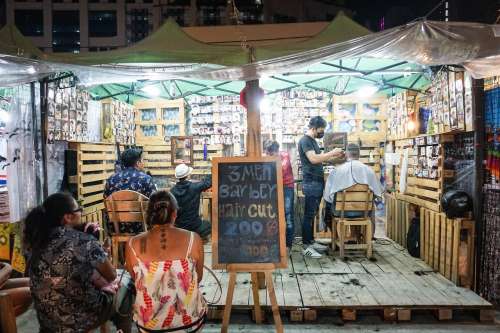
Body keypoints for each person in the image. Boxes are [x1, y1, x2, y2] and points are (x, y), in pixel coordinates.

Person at [23, 192, 132, 333]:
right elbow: (111, 276)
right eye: (79, 209)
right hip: (81, 319)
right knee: (127, 284)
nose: (81, 212)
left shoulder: (36, 240)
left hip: (48, 322)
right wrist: (102, 253)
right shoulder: (82, 241)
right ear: (67, 217)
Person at [125, 190, 207, 333]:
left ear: (150, 214)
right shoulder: (194, 239)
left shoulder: (132, 244)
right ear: (174, 214)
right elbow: (198, 278)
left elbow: (137, 280)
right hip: (189, 324)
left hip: (149, 327)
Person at [298, 116, 344, 258]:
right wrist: (332, 152)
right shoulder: (305, 140)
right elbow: (313, 159)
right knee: (309, 215)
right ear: (313, 128)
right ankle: (306, 245)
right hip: (311, 182)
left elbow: (319, 160)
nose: (322, 132)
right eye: (321, 130)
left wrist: (336, 157)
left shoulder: (313, 141)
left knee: (313, 214)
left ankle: (311, 241)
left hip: (317, 182)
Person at [323, 143, 384, 237]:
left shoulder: (336, 171)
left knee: (327, 205)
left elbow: (328, 196)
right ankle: (369, 237)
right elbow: (378, 194)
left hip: (341, 212)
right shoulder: (369, 171)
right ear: (359, 154)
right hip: (363, 212)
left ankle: (336, 238)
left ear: (346, 154)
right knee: (371, 204)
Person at [104, 147, 157, 234]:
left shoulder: (111, 179)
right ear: (137, 163)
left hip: (116, 227)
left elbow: (106, 201)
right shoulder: (146, 179)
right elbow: (154, 202)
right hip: (141, 227)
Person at [264, 140, 295, 251]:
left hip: (286, 187)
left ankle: (288, 245)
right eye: (268, 154)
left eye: (271, 154)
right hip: (273, 188)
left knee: (288, 216)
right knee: (272, 216)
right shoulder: (267, 157)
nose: (269, 156)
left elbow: (280, 170)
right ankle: (275, 244)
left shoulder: (285, 155)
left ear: (276, 151)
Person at [171, 163, 212, 240]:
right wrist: (212, 171)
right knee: (208, 225)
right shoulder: (195, 187)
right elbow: (208, 182)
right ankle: (197, 241)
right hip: (195, 227)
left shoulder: (172, 191)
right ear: (188, 175)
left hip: (179, 228)